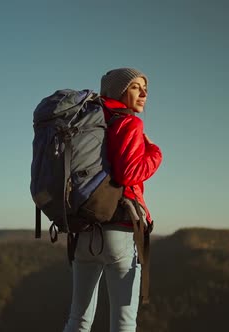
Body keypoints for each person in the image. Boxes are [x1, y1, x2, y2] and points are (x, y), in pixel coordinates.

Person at [63, 68, 163, 332]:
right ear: (119, 91)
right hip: (118, 230)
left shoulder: (87, 122)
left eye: (145, 89)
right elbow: (128, 173)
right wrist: (155, 153)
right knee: (123, 322)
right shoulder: (128, 122)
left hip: (84, 229)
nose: (143, 94)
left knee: (78, 319)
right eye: (135, 87)